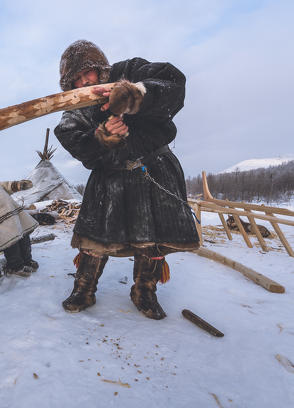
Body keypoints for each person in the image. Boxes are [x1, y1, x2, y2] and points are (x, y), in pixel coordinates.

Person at [54, 40, 199, 320]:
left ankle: (144, 291)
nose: (84, 80)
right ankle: (83, 289)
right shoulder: (73, 113)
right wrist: (104, 140)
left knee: (153, 239)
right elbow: (84, 153)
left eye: (89, 72)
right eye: (76, 78)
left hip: (154, 168)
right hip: (110, 176)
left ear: (100, 67)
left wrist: (134, 97)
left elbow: (173, 84)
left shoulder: (130, 71)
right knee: (94, 239)